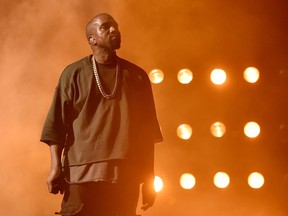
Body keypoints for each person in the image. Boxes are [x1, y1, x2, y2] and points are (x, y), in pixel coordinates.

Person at [40, 13, 163, 216]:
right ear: (92, 39)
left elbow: (147, 134)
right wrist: (55, 167)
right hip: (81, 173)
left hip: (125, 174)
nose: (114, 30)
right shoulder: (74, 73)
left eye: (115, 26)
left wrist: (149, 179)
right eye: (105, 27)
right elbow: (57, 126)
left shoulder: (137, 76)